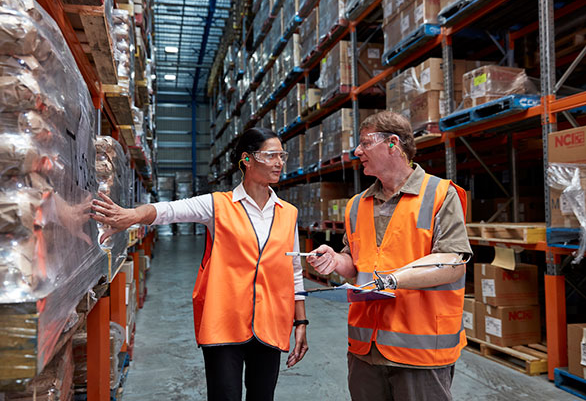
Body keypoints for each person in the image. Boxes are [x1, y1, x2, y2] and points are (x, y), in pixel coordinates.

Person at [91, 127, 308, 401]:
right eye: (271, 155)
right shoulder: (218, 205)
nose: (279, 162)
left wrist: (301, 321)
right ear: (247, 160)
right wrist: (132, 215)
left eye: (282, 156)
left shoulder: (289, 214)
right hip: (224, 323)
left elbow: (294, 270)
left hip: (271, 324)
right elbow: (170, 210)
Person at [307, 111, 472, 401]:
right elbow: (354, 261)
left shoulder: (439, 194)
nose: (357, 151)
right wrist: (335, 260)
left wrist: (394, 280)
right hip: (365, 350)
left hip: (420, 352)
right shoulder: (358, 204)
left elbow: (452, 262)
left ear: (393, 143)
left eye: (365, 143)